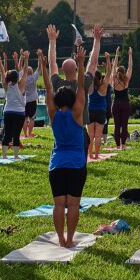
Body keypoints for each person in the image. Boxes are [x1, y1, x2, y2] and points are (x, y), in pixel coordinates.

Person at [39, 47, 88, 248]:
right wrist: (81, 63)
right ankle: (70, 238)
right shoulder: (77, 114)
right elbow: (82, 87)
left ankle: (60, 239)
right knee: (74, 204)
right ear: (73, 100)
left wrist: (43, 66)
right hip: (76, 163)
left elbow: (49, 88)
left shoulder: (53, 114)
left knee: (59, 204)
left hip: (57, 164)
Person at [48, 23, 102, 155]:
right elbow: (93, 63)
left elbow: (52, 62)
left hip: (61, 129)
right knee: (80, 163)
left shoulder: (57, 83)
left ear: (62, 70)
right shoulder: (82, 83)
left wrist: (52, 41)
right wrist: (97, 40)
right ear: (77, 70)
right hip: (79, 129)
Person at [0, 50, 29, 160]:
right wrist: (26, 59)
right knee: (16, 134)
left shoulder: (6, 85)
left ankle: (4, 155)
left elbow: (2, 72)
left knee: (7, 134)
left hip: (8, 112)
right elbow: (25, 72)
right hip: (20, 113)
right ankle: (16, 155)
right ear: (17, 78)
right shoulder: (21, 85)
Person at [86, 54, 114, 160]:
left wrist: (92, 61)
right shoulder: (103, 87)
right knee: (98, 136)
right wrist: (107, 60)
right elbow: (108, 74)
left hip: (90, 111)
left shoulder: (90, 87)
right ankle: (97, 155)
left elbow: (89, 74)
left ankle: (90, 155)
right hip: (101, 112)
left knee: (90, 136)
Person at [111, 47, 133, 150]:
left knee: (116, 125)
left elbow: (114, 66)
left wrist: (116, 54)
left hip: (116, 104)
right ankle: (123, 145)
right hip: (125, 104)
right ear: (124, 72)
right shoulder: (126, 80)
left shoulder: (114, 79)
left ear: (116, 72)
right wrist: (130, 55)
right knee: (124, 125)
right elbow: (130, 67)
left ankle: (118, 146)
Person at [22, 57, 40, 140]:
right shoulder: (33, 78)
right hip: (33, 100)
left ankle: (25, 134)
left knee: (25, 118)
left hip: (24, 100)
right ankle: (30, 134)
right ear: (32, 72)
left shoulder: (23, 79)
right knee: (32, 118)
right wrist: (39, 58)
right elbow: (39, 68)